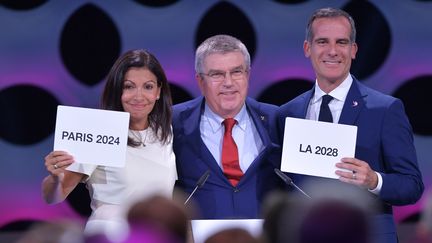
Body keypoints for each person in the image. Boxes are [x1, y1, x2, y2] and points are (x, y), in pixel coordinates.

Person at [277, 7, 424, 243]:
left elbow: (412, 185)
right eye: (323, 41)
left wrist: (374, 180)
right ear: (308, 49)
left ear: (353, 50)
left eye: (342, 42)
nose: (332, 51)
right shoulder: (288, 113)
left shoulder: (384, 110)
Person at [42, 49, 177, 241]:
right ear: (117, 90)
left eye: (148, 87)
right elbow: (54, 196)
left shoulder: (165, 132)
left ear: (158, 92)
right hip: (111, 236)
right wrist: (55, 178)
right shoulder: (99, 129)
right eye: (129, 87)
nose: (139, 96)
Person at [173, 34, 283, 219]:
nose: (229, 83)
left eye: (237, 72)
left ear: (247, 75)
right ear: (200, 81)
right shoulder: (173, 121)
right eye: (217, 74)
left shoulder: (276, 119)